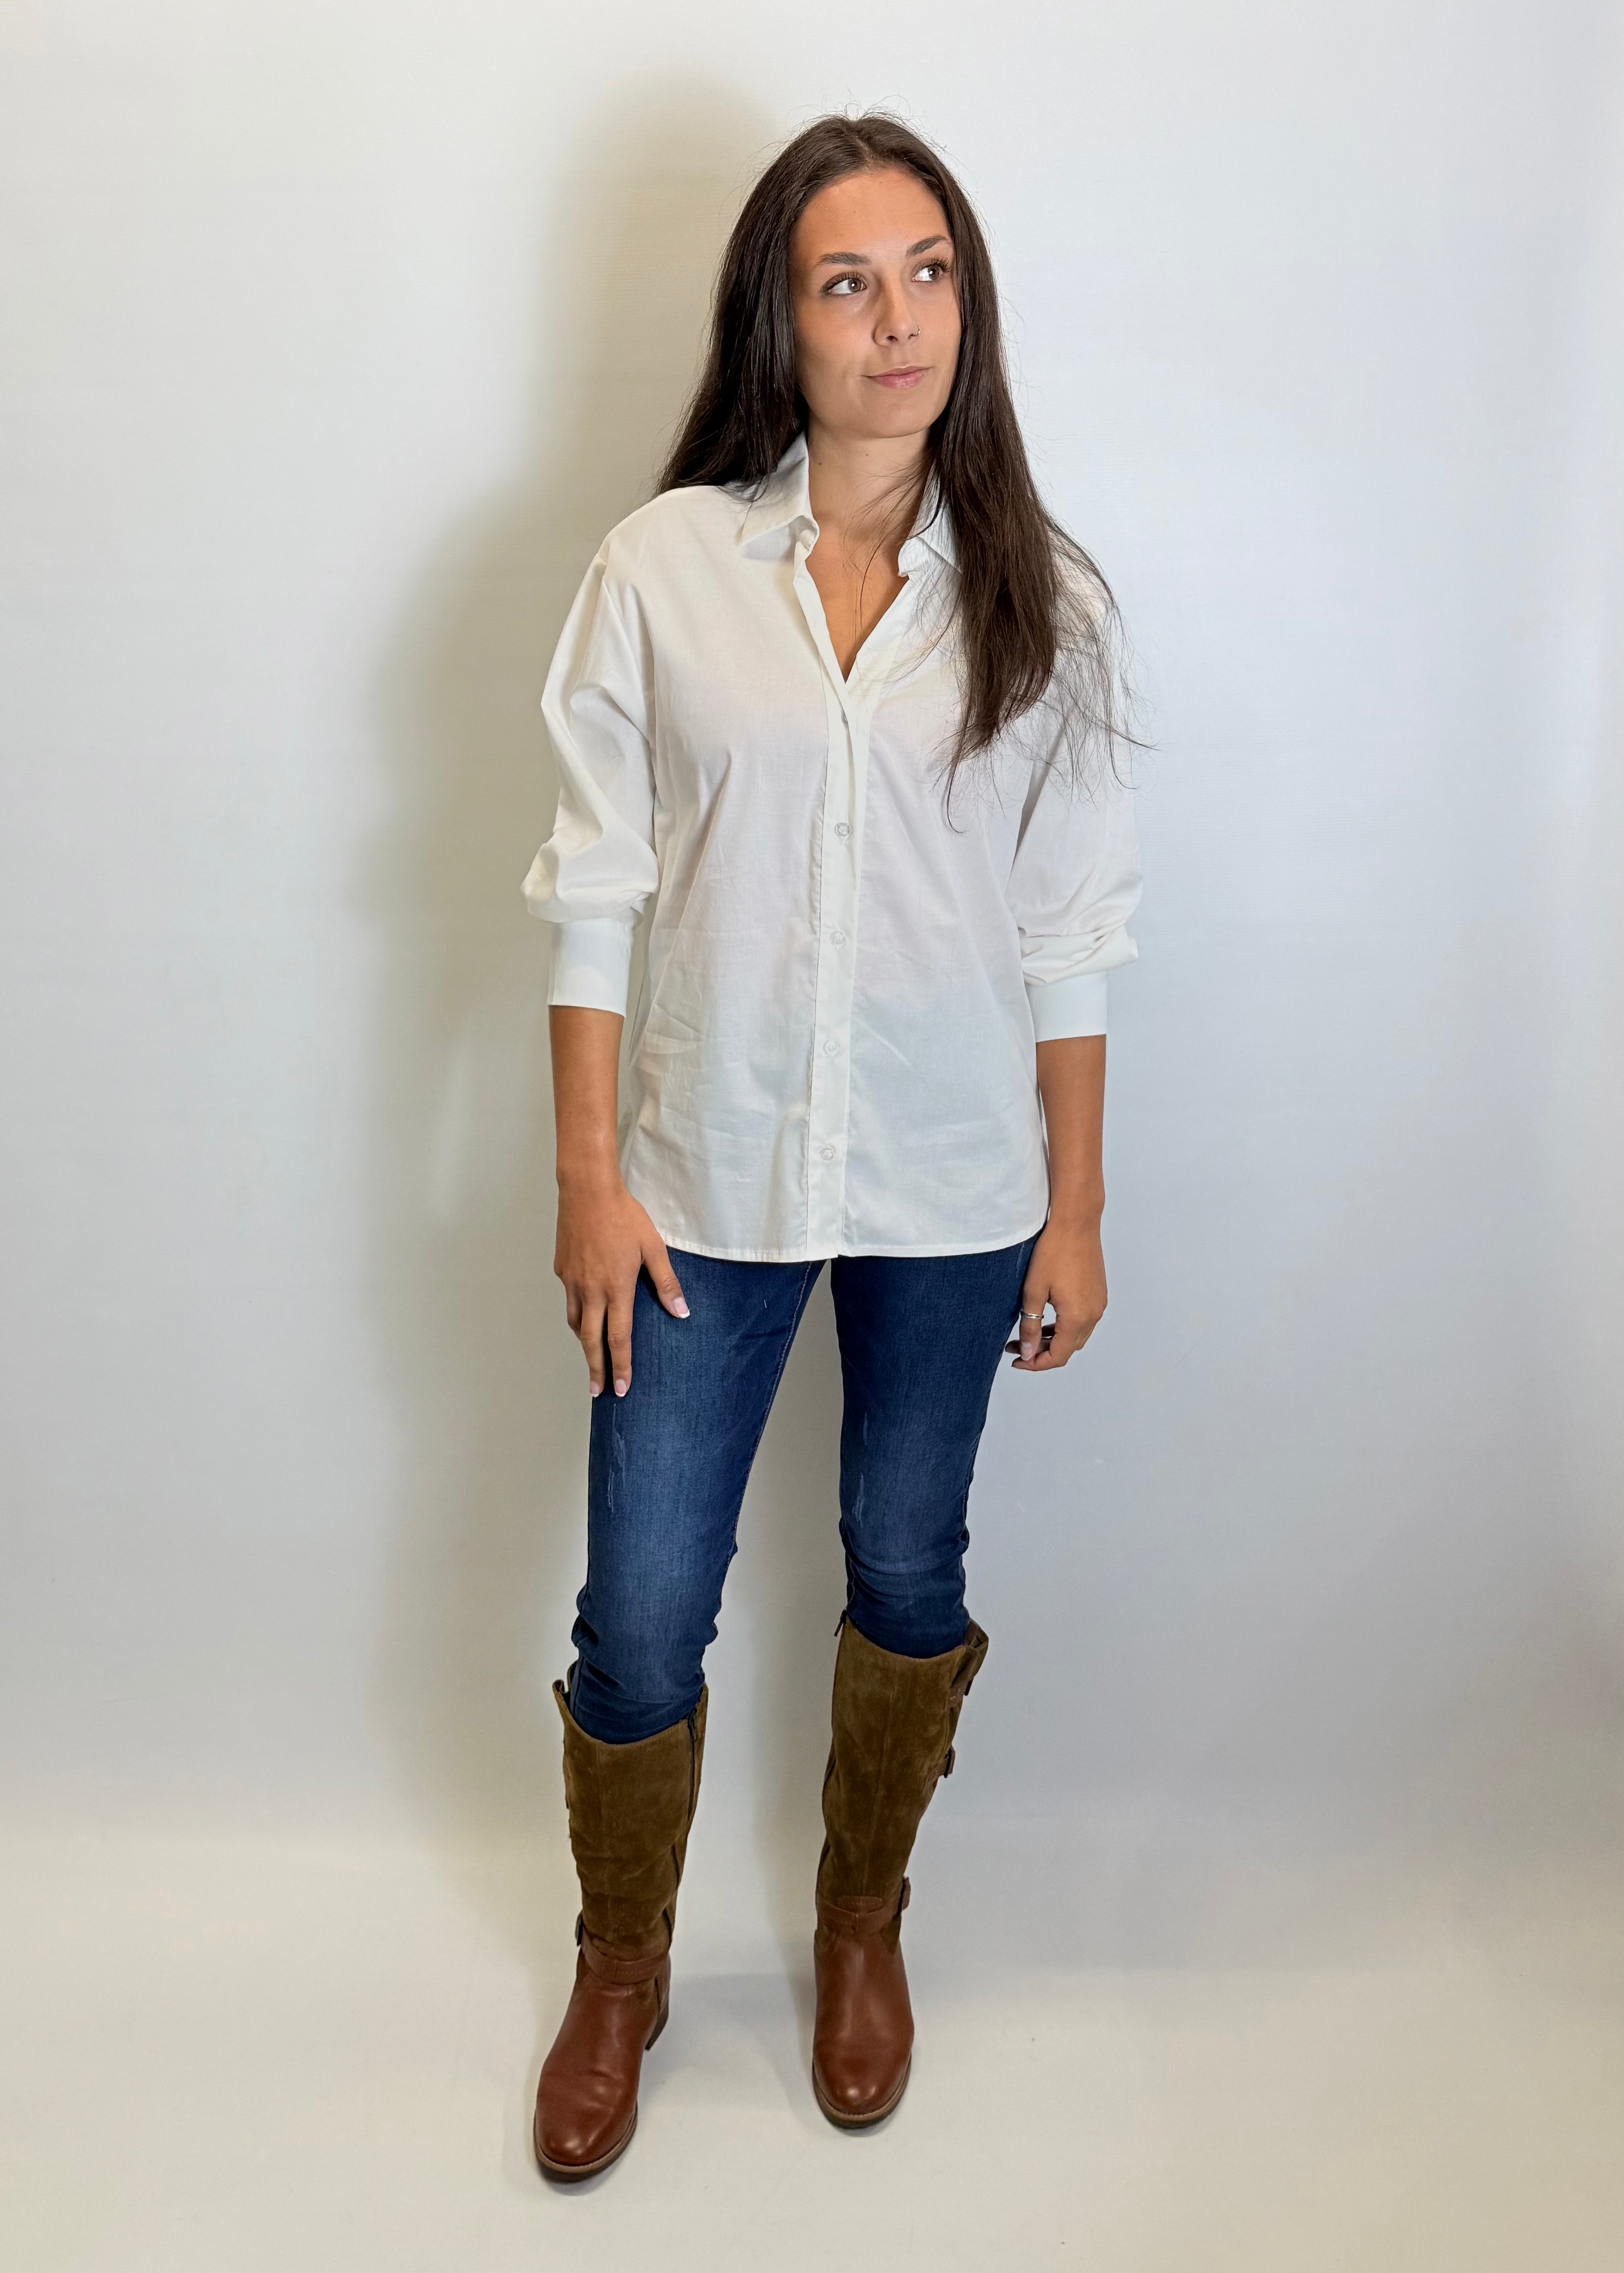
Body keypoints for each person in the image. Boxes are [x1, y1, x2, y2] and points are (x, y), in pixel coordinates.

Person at [521, 111, 1141, 2180]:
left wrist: (1078, 1198)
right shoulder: (663, 572)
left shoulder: (1043, 600)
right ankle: (622, 1963)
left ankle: (858, 1917)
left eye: (929, 272)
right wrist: (585, 1178)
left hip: (957, 1194)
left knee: (906, 1565)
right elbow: (593, 887)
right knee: (638, 1607)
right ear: (774, 323)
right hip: (698, 1182)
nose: (897, 321)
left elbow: (1066, 928)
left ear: (970, 302)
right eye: (845, 281)